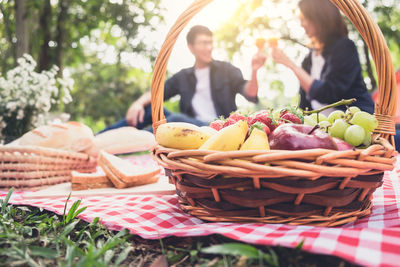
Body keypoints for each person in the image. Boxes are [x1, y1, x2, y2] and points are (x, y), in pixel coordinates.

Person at [101, 25, 267, 132]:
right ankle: (97, 139)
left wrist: (254, 71)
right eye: (203, 43)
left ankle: (132, 143)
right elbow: (158, 92)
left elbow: (250, 93)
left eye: (210, 42)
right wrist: (137, 103)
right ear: (191, 47)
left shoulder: (227, 70)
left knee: (174, 121)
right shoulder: (183, 76)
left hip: (217, 128)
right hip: (190, 124)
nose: (208, 48)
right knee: (152, 111)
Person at [270, 0, 374, 115]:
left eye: (304, 18)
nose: (302, 24)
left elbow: (329, 93)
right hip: (323, 128)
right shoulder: (308, 60)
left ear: (319, 17)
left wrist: (290, 64)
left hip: (352, 121)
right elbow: (304, 106)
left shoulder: (344, 47)